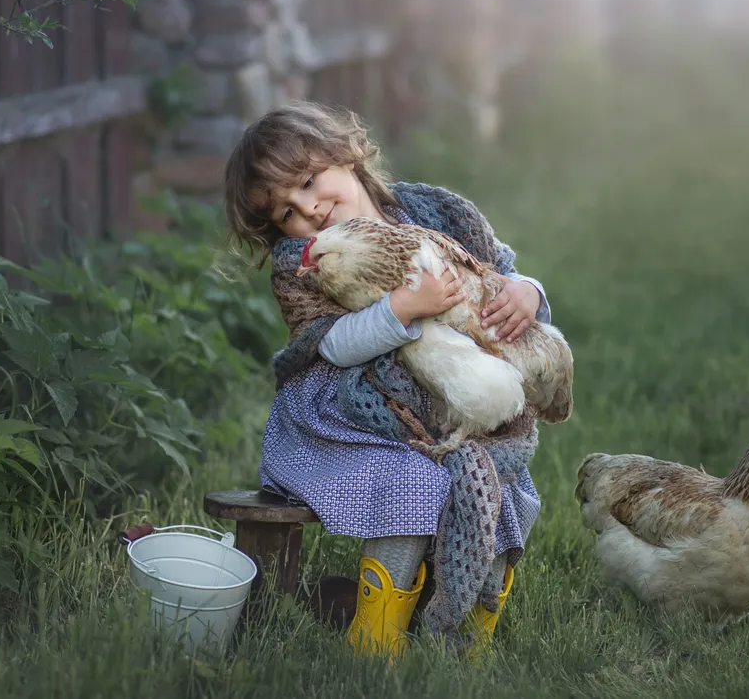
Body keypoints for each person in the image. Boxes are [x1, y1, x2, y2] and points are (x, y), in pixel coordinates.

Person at [223, 101, 561, 658]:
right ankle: (377, 639)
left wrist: (528, 291)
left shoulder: (434, 211)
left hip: (444, 401)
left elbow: (498, 267)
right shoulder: (302, 260)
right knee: (410, 482)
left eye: (308, 181)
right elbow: (329, 345)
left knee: (501, 490)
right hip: (349, 413)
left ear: (346, 154)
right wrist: (401, 310)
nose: (307, 209)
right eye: (285, 211)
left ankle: (466, 640)